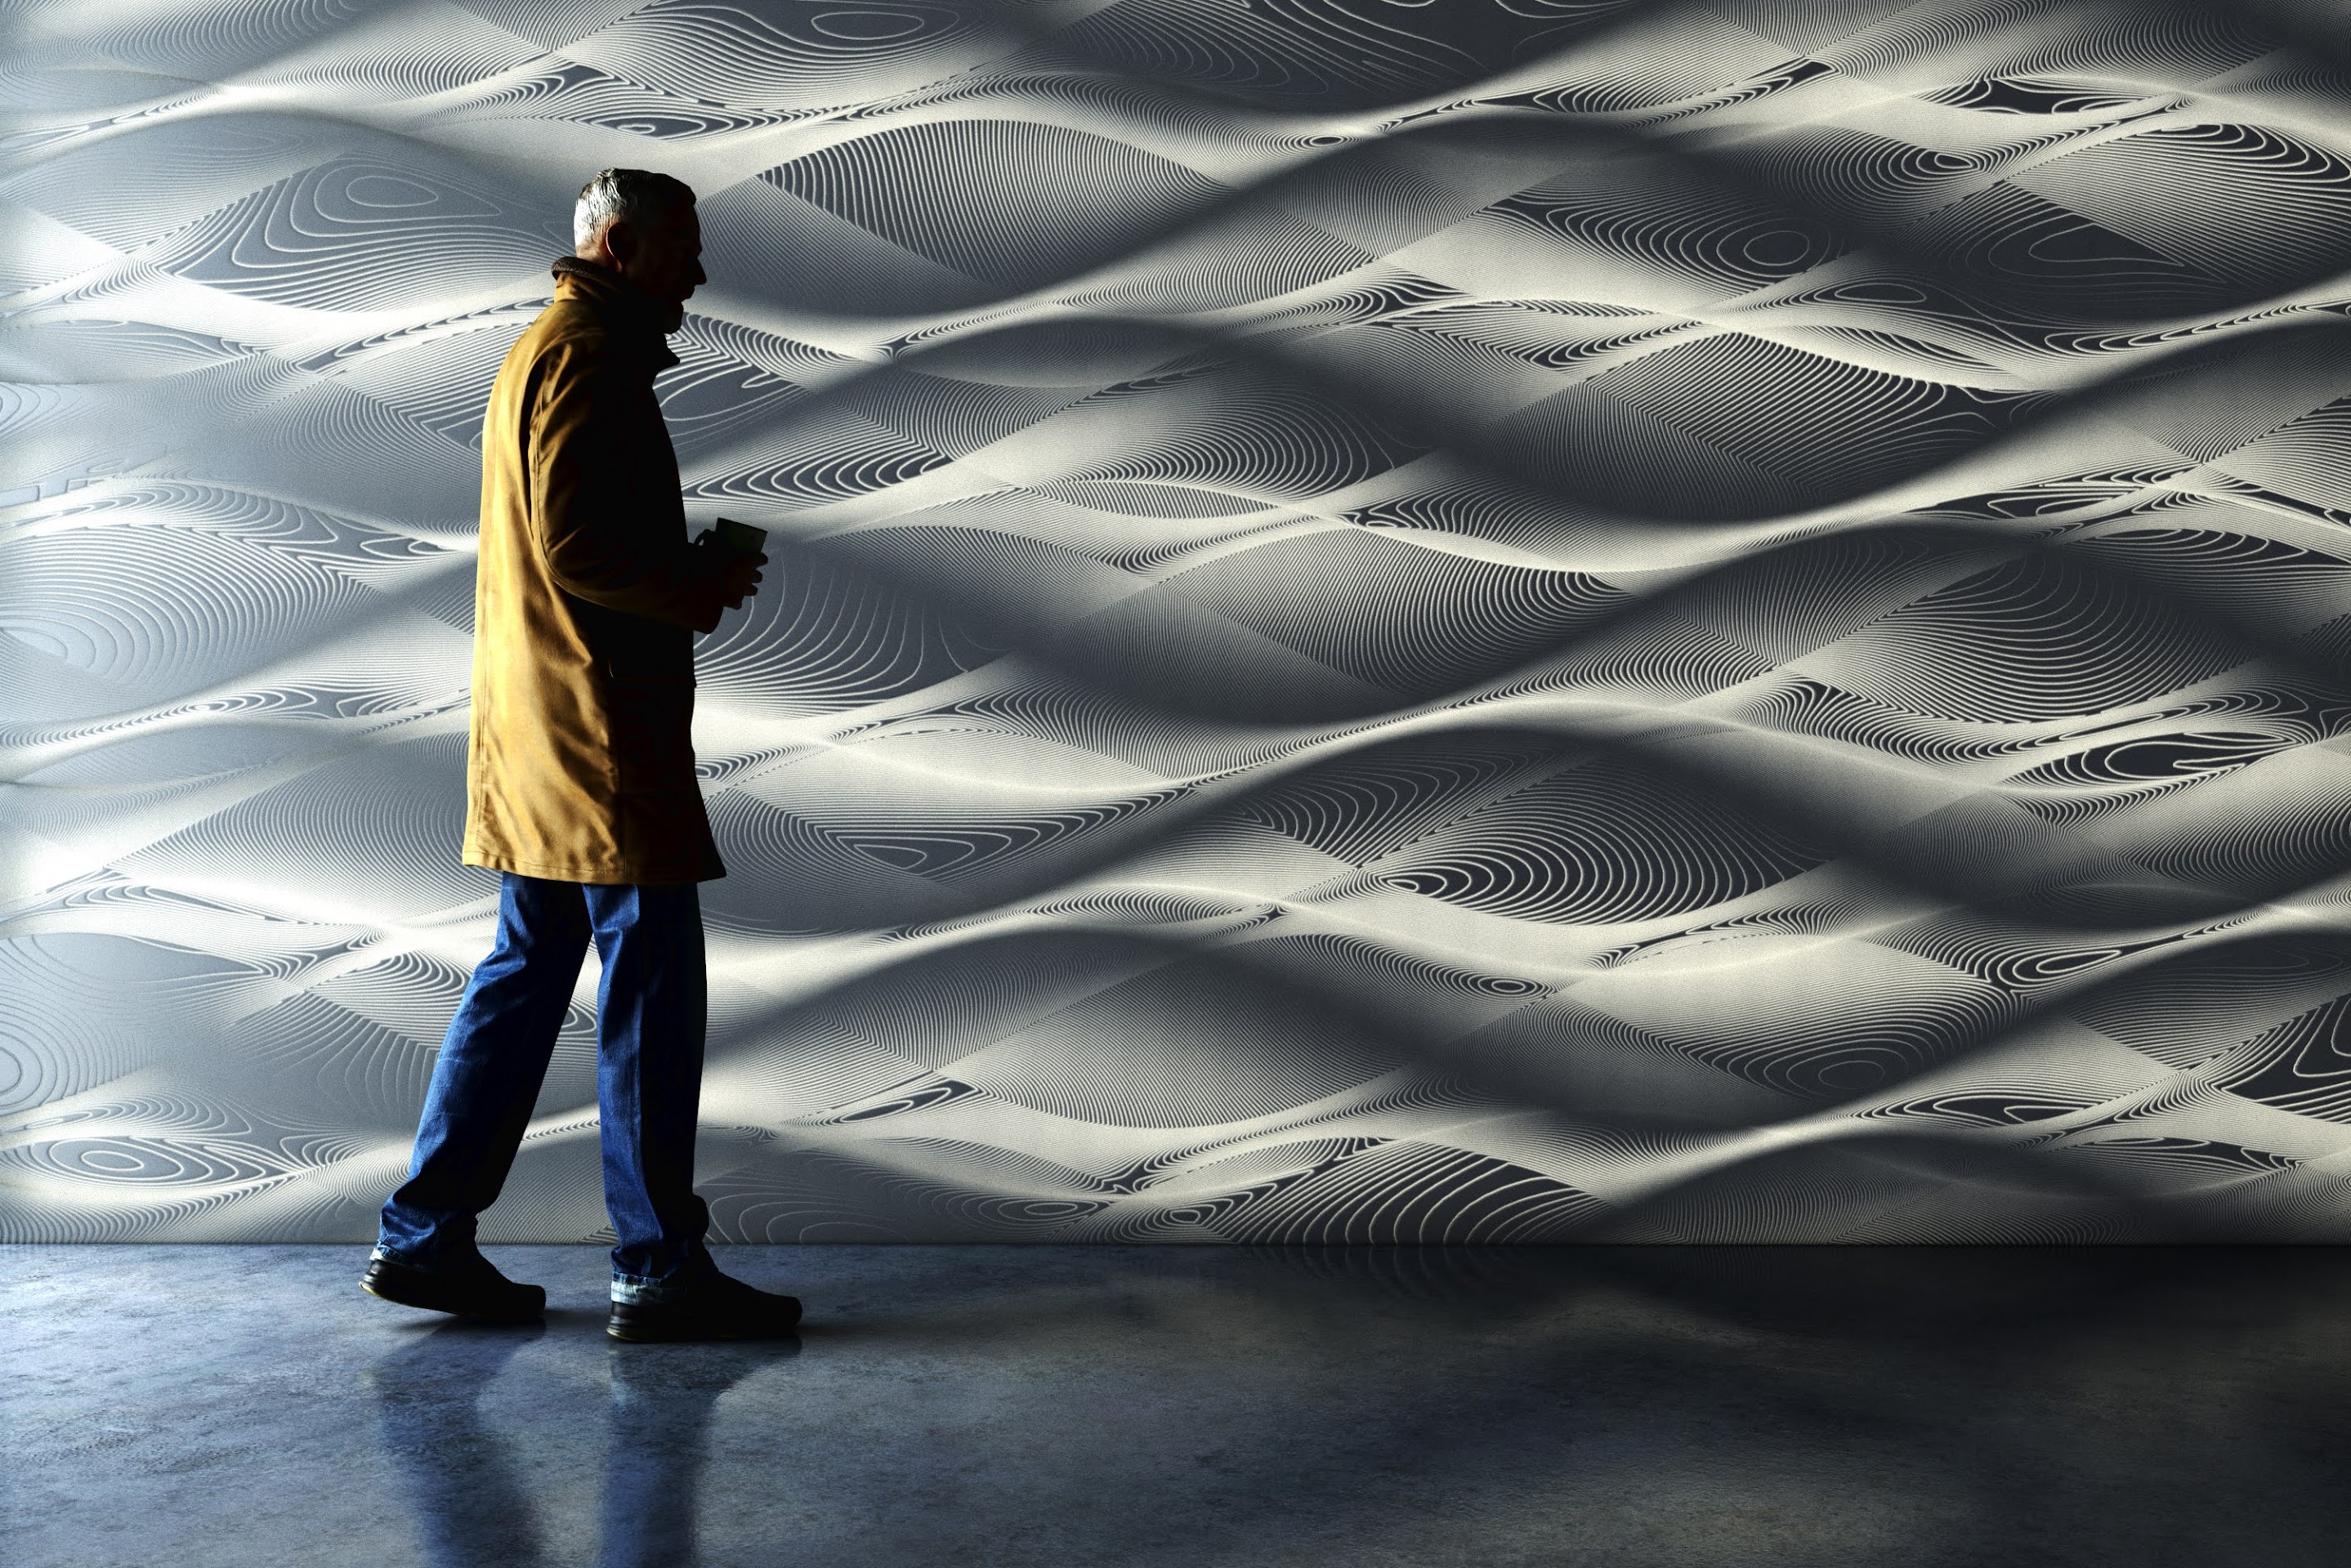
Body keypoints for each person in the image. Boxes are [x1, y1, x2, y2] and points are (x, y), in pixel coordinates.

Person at [361, 168, 798, 1342]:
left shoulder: (542, 351)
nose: (697, 272)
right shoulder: (591, 359)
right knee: (653, 989)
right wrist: (697, 583)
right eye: (682, 249)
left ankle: (426, 1235)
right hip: (602, 733)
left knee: (522, 976)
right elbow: (578, 548)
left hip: (540, 727)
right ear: (617, 247)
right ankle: (657, 1265)